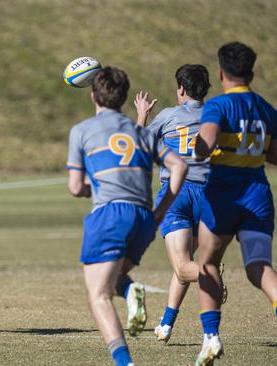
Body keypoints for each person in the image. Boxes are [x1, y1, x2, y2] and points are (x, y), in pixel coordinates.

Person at [67, 67, 187, 366]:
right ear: (124, 97)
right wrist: (160, 210)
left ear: (93, 95)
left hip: (109, 214)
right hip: (143, 218)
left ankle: (125, 363)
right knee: (117, 276)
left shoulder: (82, 131)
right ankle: (131, 289)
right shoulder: (142, 133)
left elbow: (74, 188)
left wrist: (93, 188)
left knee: (98, 295)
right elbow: (180, 166)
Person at [192, 42, 277, 366]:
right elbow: (274, 155)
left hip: (223, 196)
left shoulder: (217, 106)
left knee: (208, 263)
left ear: (221, 72)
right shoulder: (266, 108)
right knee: (259, 268)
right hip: (257, 196)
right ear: (250, 72)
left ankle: (211, 337)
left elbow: (206, 144)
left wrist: (197, 146)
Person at [134, 64, 226, 343]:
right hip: (211, 196)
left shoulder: (168, 116)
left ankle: (210, 273)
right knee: (183, 264)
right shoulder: (217, 115)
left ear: (181, 89)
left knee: (185, 266)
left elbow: (137, 146)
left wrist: (141, 116)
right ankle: (166, 324)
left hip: (177, 193)